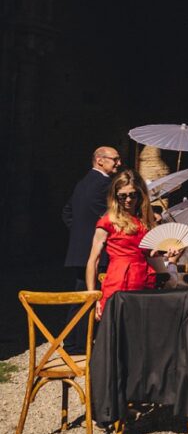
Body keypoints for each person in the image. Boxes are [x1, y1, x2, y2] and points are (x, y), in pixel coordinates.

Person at [85, 170, 171, 318]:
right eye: (123, 196)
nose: (128, 200)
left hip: (144, 280)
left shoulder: (145, 222)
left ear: (140, 194)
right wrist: (93, 297)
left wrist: (166, 253)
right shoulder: (108, 221)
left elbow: (150, 254)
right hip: (119, 281)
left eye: (133, 195)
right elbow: (94, 260)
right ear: (115, 196)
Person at [62, 146, 121, 350]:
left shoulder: (83, 183)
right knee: (92, 296)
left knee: (82, 296)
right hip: (96, 251)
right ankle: (78, 343)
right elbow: (110, 217)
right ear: (100, 160)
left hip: (80, 249)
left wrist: (81, 234)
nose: (119, 163)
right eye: (115, 159)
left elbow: (67, 212)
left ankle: (74, 342)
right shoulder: (104, 184)